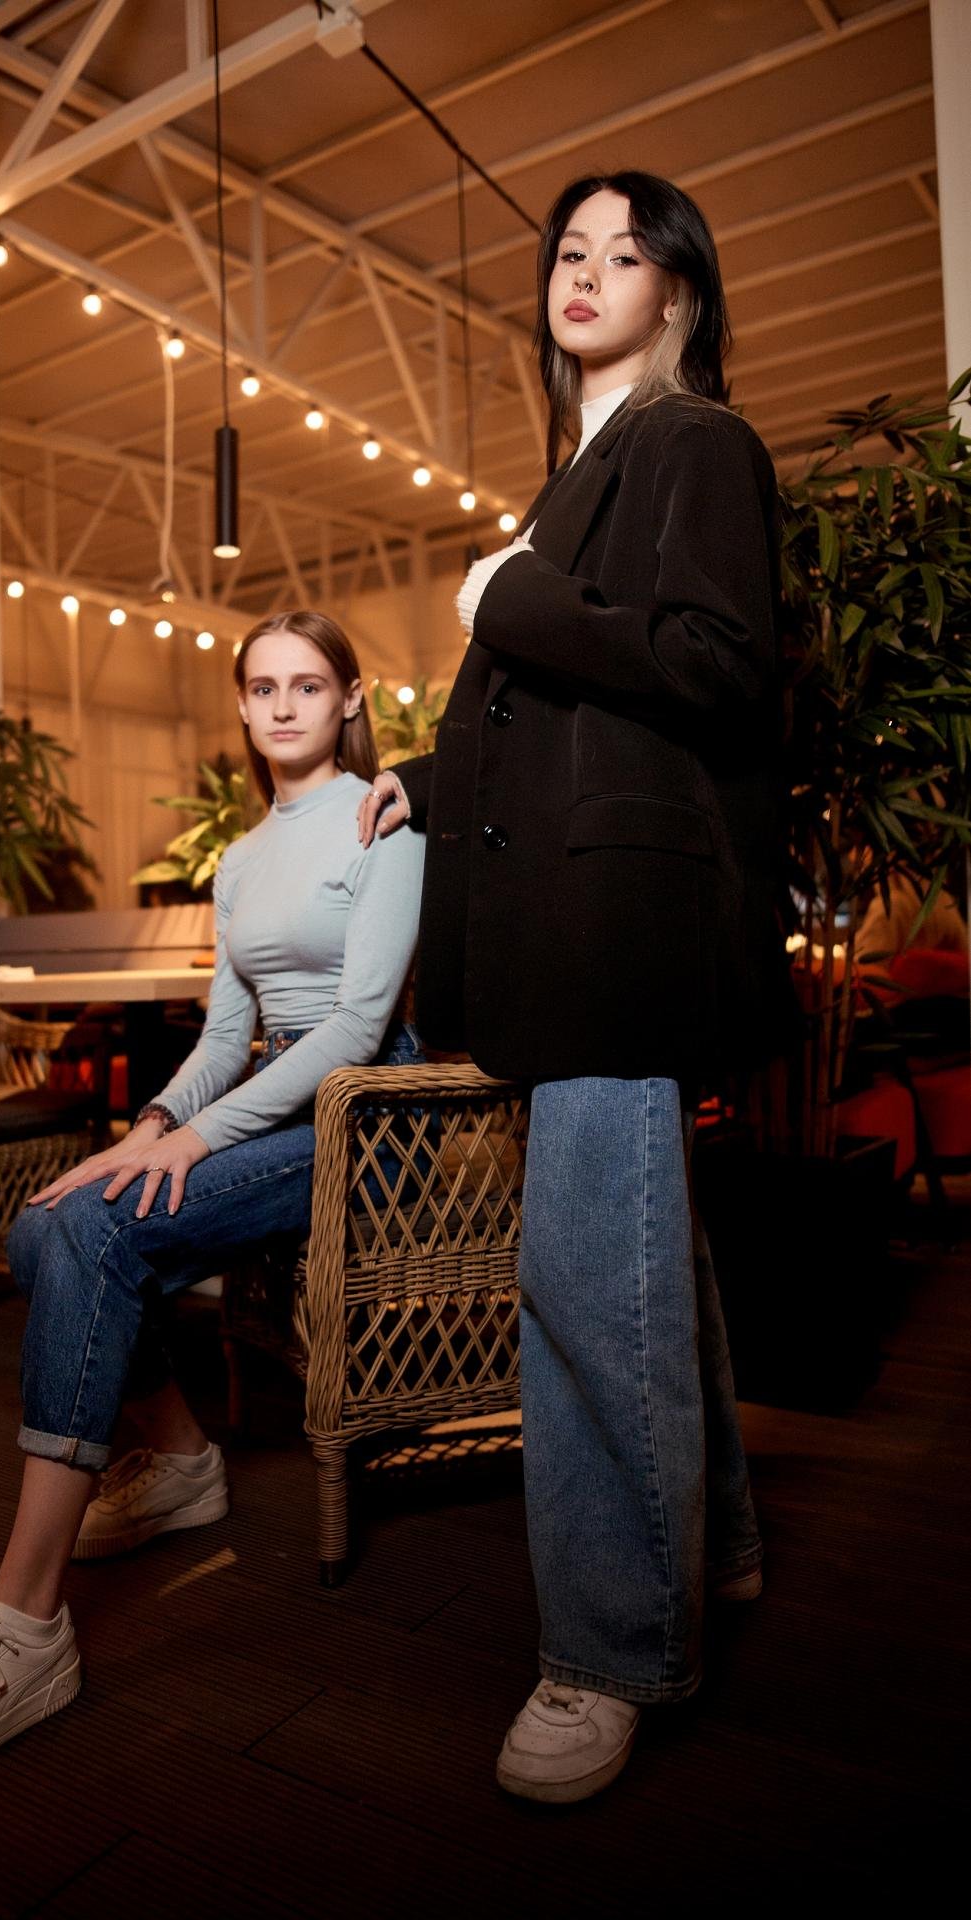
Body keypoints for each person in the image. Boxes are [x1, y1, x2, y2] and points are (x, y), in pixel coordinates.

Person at [359, 171, 792, 1805]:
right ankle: (716, 1547)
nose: (586, 272)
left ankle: (613, 1646)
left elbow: (714, 667)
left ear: (679, 291)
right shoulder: (584, 470)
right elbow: (572, 721)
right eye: (569, 252)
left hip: (621, 926)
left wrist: (508, 598)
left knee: (585, 1282)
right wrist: (423, 774)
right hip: (572, 920)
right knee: (635, 1257)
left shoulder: (695, 442)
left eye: (627, 252)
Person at [0, 610, 425, 1788]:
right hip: (268, 1093)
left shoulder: (383, 822)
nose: (282, 706)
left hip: (367, 1111)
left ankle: (23, 1625)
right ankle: (181, 1458)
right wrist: (151, 1127)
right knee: (46, 1220)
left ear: (349, 701)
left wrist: (198, 1136)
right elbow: (223, 1033)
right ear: (243, 704)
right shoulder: (242, 859)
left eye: (309, 685)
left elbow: (358, 1028)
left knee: (95, 1226)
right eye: (263, 687)